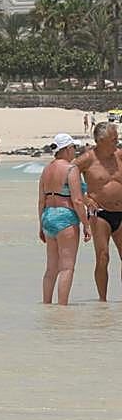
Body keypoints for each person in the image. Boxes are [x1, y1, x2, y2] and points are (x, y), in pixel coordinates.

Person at [39, 134, 91, 305]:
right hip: (65, 217)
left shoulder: (46, 170)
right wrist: (86, 224)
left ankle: (46, 304)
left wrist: (41, 225)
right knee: (67, 267)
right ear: (67, 149)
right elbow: (77, 200)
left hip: (48, 216)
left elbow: (41, 200)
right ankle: (62, 307)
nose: (75, 152)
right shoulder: (71, 169)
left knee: (51, 268)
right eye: (73, 148)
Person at [73, 121, 122, 301]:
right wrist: (85, 198)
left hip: (121, 211)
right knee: (103, 257)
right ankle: (103, 301)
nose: (117, 142)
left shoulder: (119, 155)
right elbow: (68, 176)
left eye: (117, 138)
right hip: (99, 212)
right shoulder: (87, 159)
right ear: (100, 140)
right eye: (113, 139)